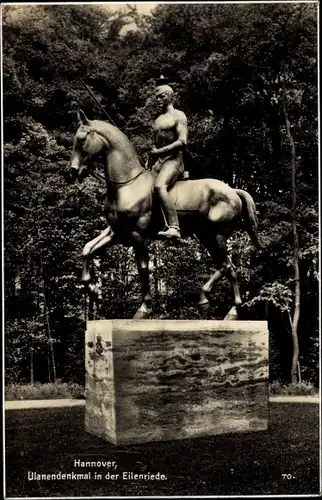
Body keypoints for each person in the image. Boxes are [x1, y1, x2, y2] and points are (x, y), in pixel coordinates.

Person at [148, 81, 188, 240]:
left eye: (161, 96)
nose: (158, 100)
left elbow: (182, 142)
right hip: (158, 163)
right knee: (143, 189)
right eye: (156, 97)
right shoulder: (158, 120)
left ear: (170, 97)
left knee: (159, 186)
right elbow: (155, 145)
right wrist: (149, 161)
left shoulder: (179, 115)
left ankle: (174, 227)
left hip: (174, 161)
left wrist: (158, 152)